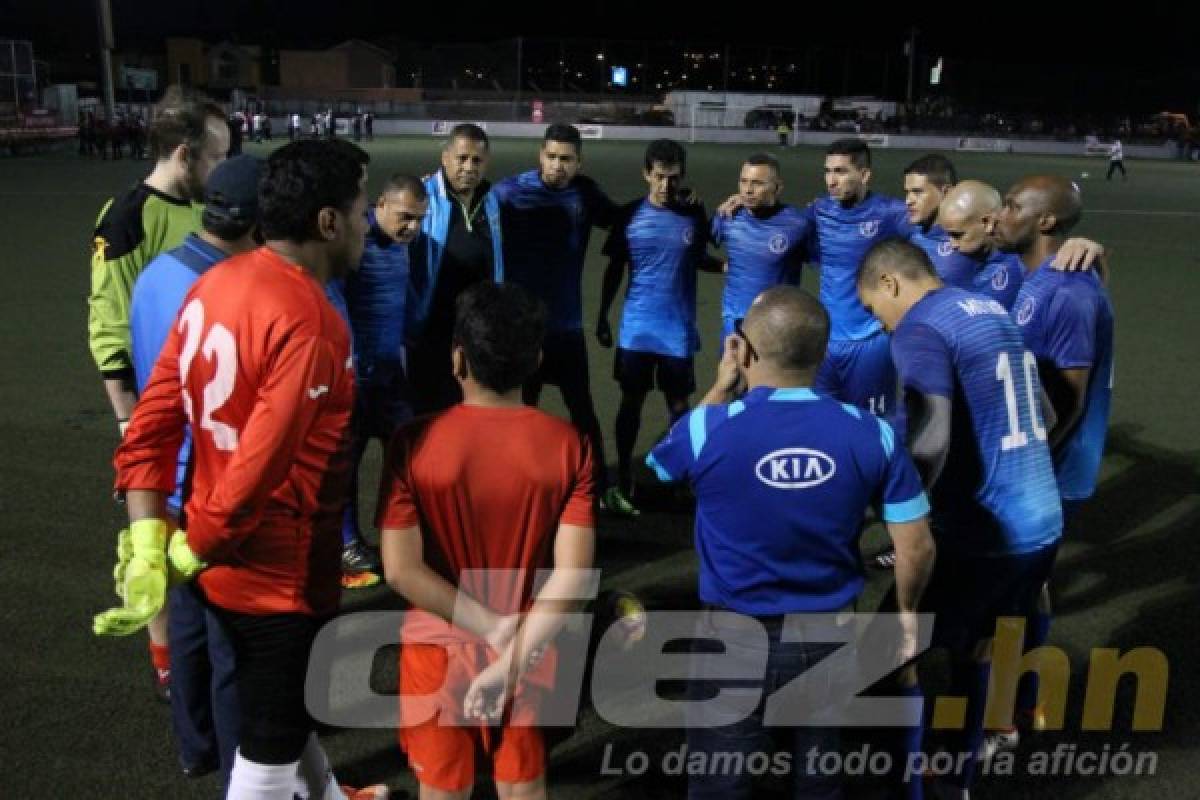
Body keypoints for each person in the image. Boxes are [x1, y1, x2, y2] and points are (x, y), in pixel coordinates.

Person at [99, 139, 385, 800]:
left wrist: (152, 545)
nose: (367, 224)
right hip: (277, 581)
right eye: (361, 210)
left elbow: (151, 423)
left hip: (214, 561)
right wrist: (190, 552)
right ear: (327, 222)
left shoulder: (213, 284)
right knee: (265, 754)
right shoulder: (313, 321)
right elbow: (260, 468)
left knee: (285, 718)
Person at [645, 286, 936, 799]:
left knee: (719, 783)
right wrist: (907, 613)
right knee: (819, 781)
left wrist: (720, 387)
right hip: (827, 634)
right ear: (823, 355)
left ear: (746, 352)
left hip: (729, 636)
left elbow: (661, 467)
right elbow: (916, 547)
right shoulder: (874, 433)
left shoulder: (705, 428)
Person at [857, 239, 1063, 797]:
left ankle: (907, 786)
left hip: (987, 534)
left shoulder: (921, 327)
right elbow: (1043, 411)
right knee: (976, 649)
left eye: (876, 311)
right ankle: (960, 777)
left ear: (891, 284)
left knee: (885, 652)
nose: (882, 327)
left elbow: (931, 437)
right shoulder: (988, 308)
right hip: (1043, 523)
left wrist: (901, 517)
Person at [379, 282, 596, 800]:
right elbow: (572, 576)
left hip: (439, 648)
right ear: (536, 360)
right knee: (523, 786)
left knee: (443, 790)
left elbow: (400, 570)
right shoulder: (570, 446)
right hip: (531, 642)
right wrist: (513, 652)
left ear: (458, 361)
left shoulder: (413, 444)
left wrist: (488, 629)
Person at [88, 86, 229, 700]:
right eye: (216, 156)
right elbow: (109, 330)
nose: (221, 169)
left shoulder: (209, 210)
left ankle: (210, 652)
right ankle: (168, 663)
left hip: (216, 413)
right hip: (160, 420)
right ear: (183, 154)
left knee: (208, 545)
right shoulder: (124, 220)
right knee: (152, 551)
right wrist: (131, 427)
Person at [127, 154, 263, 784]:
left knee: (184, 623)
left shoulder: (156, 272)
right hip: (211, 482)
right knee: (228, 639)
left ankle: (194, 746)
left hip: (164, 481)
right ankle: (242, 770)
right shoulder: (229, 287)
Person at [990, 175, 1114, 752]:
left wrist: (1026, 465)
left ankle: (1006, 718)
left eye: (1013, 206)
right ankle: (1020, 702)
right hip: (1034, 462)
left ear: (1045, 222)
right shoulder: (1039, 275)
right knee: (1024, 590)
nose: (1001, 213)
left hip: (1044, 468)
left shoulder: (1066, 291)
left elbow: (1070, 396)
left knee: (1015, 592)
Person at [493, 123, 616, 498]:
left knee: (582, 410)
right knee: (518, 410)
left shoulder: (585, 194)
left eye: (566, 159)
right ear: (539, 155)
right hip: (521, 328)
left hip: (566, 326)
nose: (557, 166)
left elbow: (624, 219)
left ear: (579, 162)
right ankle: (514, 482)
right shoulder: (508, 193)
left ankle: (597, 485)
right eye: (551, 157)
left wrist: (685, 203)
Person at [597, 139, 716, 515]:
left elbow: (701, 257)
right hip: (637, 328)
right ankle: (624, 480)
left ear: (683, 176)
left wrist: (729, 267)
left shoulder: (693, 214)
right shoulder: (630, 215)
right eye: (660, 177)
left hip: (677, 329)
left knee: (679, 407)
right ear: (647, 173)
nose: (666, 186)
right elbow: (614, 268)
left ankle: (680, 478)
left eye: (674, 178)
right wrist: (602, 315)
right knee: (630, 402)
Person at [337, 174, 429, 588]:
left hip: (392, 378)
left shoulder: (405, 246)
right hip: (356, 381)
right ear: (380, 205)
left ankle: (399, 536)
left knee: (409, 458)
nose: (413, 227)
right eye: (406, 217)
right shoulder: (354, 244)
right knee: (346, 466)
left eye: (420, 219)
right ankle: (348, 543)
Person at [407, 123, 505, 413]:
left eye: (477, 160)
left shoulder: (491, 202)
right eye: (461, 158)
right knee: (427, 413)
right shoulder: (422, 198)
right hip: (431, 331)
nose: (468, 167)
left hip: (477, 332)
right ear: (445, 157)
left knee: (470, 412)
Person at [711, 152, 811, 342]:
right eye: (744, 181)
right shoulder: (728, 217)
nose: (748, 190)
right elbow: (693, 249)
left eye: (757, 183)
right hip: (733, 327)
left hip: (777, 327)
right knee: (727, 372)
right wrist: (721, 266)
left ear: (777, 187)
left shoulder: (798, 224)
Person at [936, 180, 1026, 309]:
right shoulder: (957, 258)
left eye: (957, 235)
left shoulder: (1021, 265)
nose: (952, 245)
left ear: (988, 222)